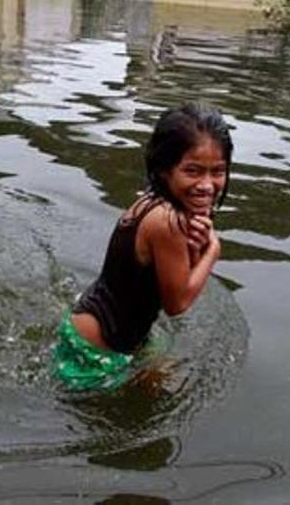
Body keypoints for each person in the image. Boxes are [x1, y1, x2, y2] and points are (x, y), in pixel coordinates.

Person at [54, 103, 233, 391]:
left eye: (218, 171)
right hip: (96, 351)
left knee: (163, 378)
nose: (207, 185)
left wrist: (196, 247)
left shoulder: (156, 201)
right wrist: (212, 252)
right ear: (164, 170)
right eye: (193, 171)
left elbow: (167, 277)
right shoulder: (167, 222)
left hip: (103, 327)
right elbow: (176, 305)